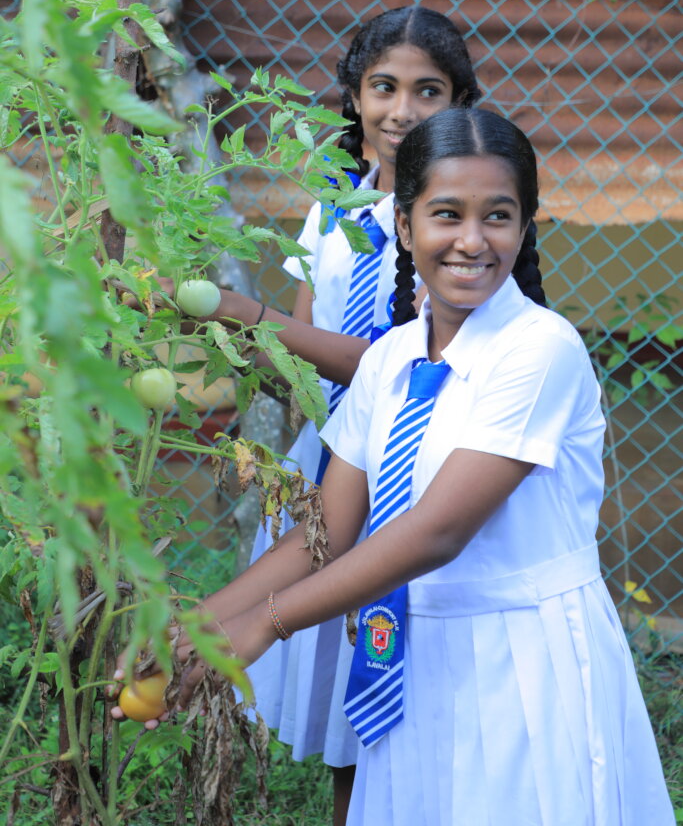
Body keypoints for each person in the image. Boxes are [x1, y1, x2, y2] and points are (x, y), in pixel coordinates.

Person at [151, 106, 674, 825]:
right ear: (404, 225)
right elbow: (326, 533)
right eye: (445, 214)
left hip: (520, 657)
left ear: (524, 228)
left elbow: (436, 533)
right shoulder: (392, 360)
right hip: (412, 654)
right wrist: (196, 629)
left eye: (497, 216)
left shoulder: (539, 349)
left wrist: (266, 623)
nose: (470, 240)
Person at [169, 7, 481, 822]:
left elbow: (387, 366)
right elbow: (309, 361)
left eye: (426, 91)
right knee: (342, 702)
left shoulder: (449, 224)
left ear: (458, 105)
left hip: (409, 475)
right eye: (382, 87)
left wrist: (248, 316)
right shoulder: (329, 215)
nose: (400, 111)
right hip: (329, 470)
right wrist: (223, 361)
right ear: (350, 97)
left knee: (392, 682)